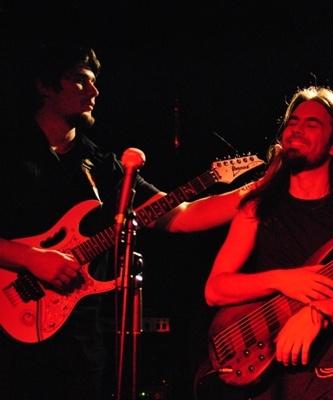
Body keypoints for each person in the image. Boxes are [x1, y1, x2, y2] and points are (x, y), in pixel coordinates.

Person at [0, 42, 262, 400]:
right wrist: (31, 259)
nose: (94, 91)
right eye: (80, 80)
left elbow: (180, 215)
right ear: (45, 86)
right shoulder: (10, 150)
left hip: (78, 339)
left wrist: (257, 190)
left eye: (94, 81)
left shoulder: (100, 165)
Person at [204, 86, 333, 399]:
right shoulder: (257, 206)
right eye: (292, 122)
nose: (296, 129)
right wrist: (284, 280)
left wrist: (322, 312)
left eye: (311, 124)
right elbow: (216, 289)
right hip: (269, 367)